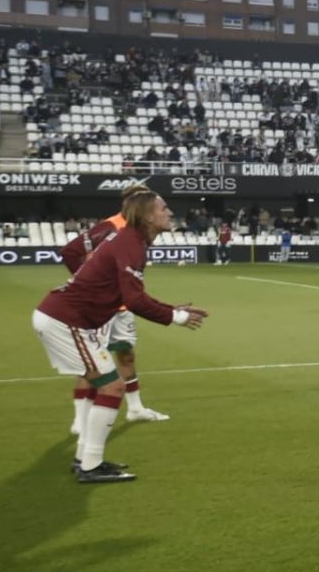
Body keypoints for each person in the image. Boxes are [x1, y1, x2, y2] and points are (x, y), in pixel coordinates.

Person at [32, 189, 209, 483]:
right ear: (148, 215)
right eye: (164, 208)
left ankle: (86, 460)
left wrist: (171, 308)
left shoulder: (130, 240)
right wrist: (175, 317)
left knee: (105, 385)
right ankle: (90, 466)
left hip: (69, 319)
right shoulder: (131, 243)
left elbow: (135, 295)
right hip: (67, 321)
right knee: (113, 387)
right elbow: (135, 300)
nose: (170, 212)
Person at [60, 187, 170, 427]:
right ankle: (80, 421)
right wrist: (89, 286)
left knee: (126, 354)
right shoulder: (110, 226)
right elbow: (70, 252)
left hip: (122, 306)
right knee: (93, 362)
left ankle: (135, 408)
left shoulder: (139, 230)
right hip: (101, 307)